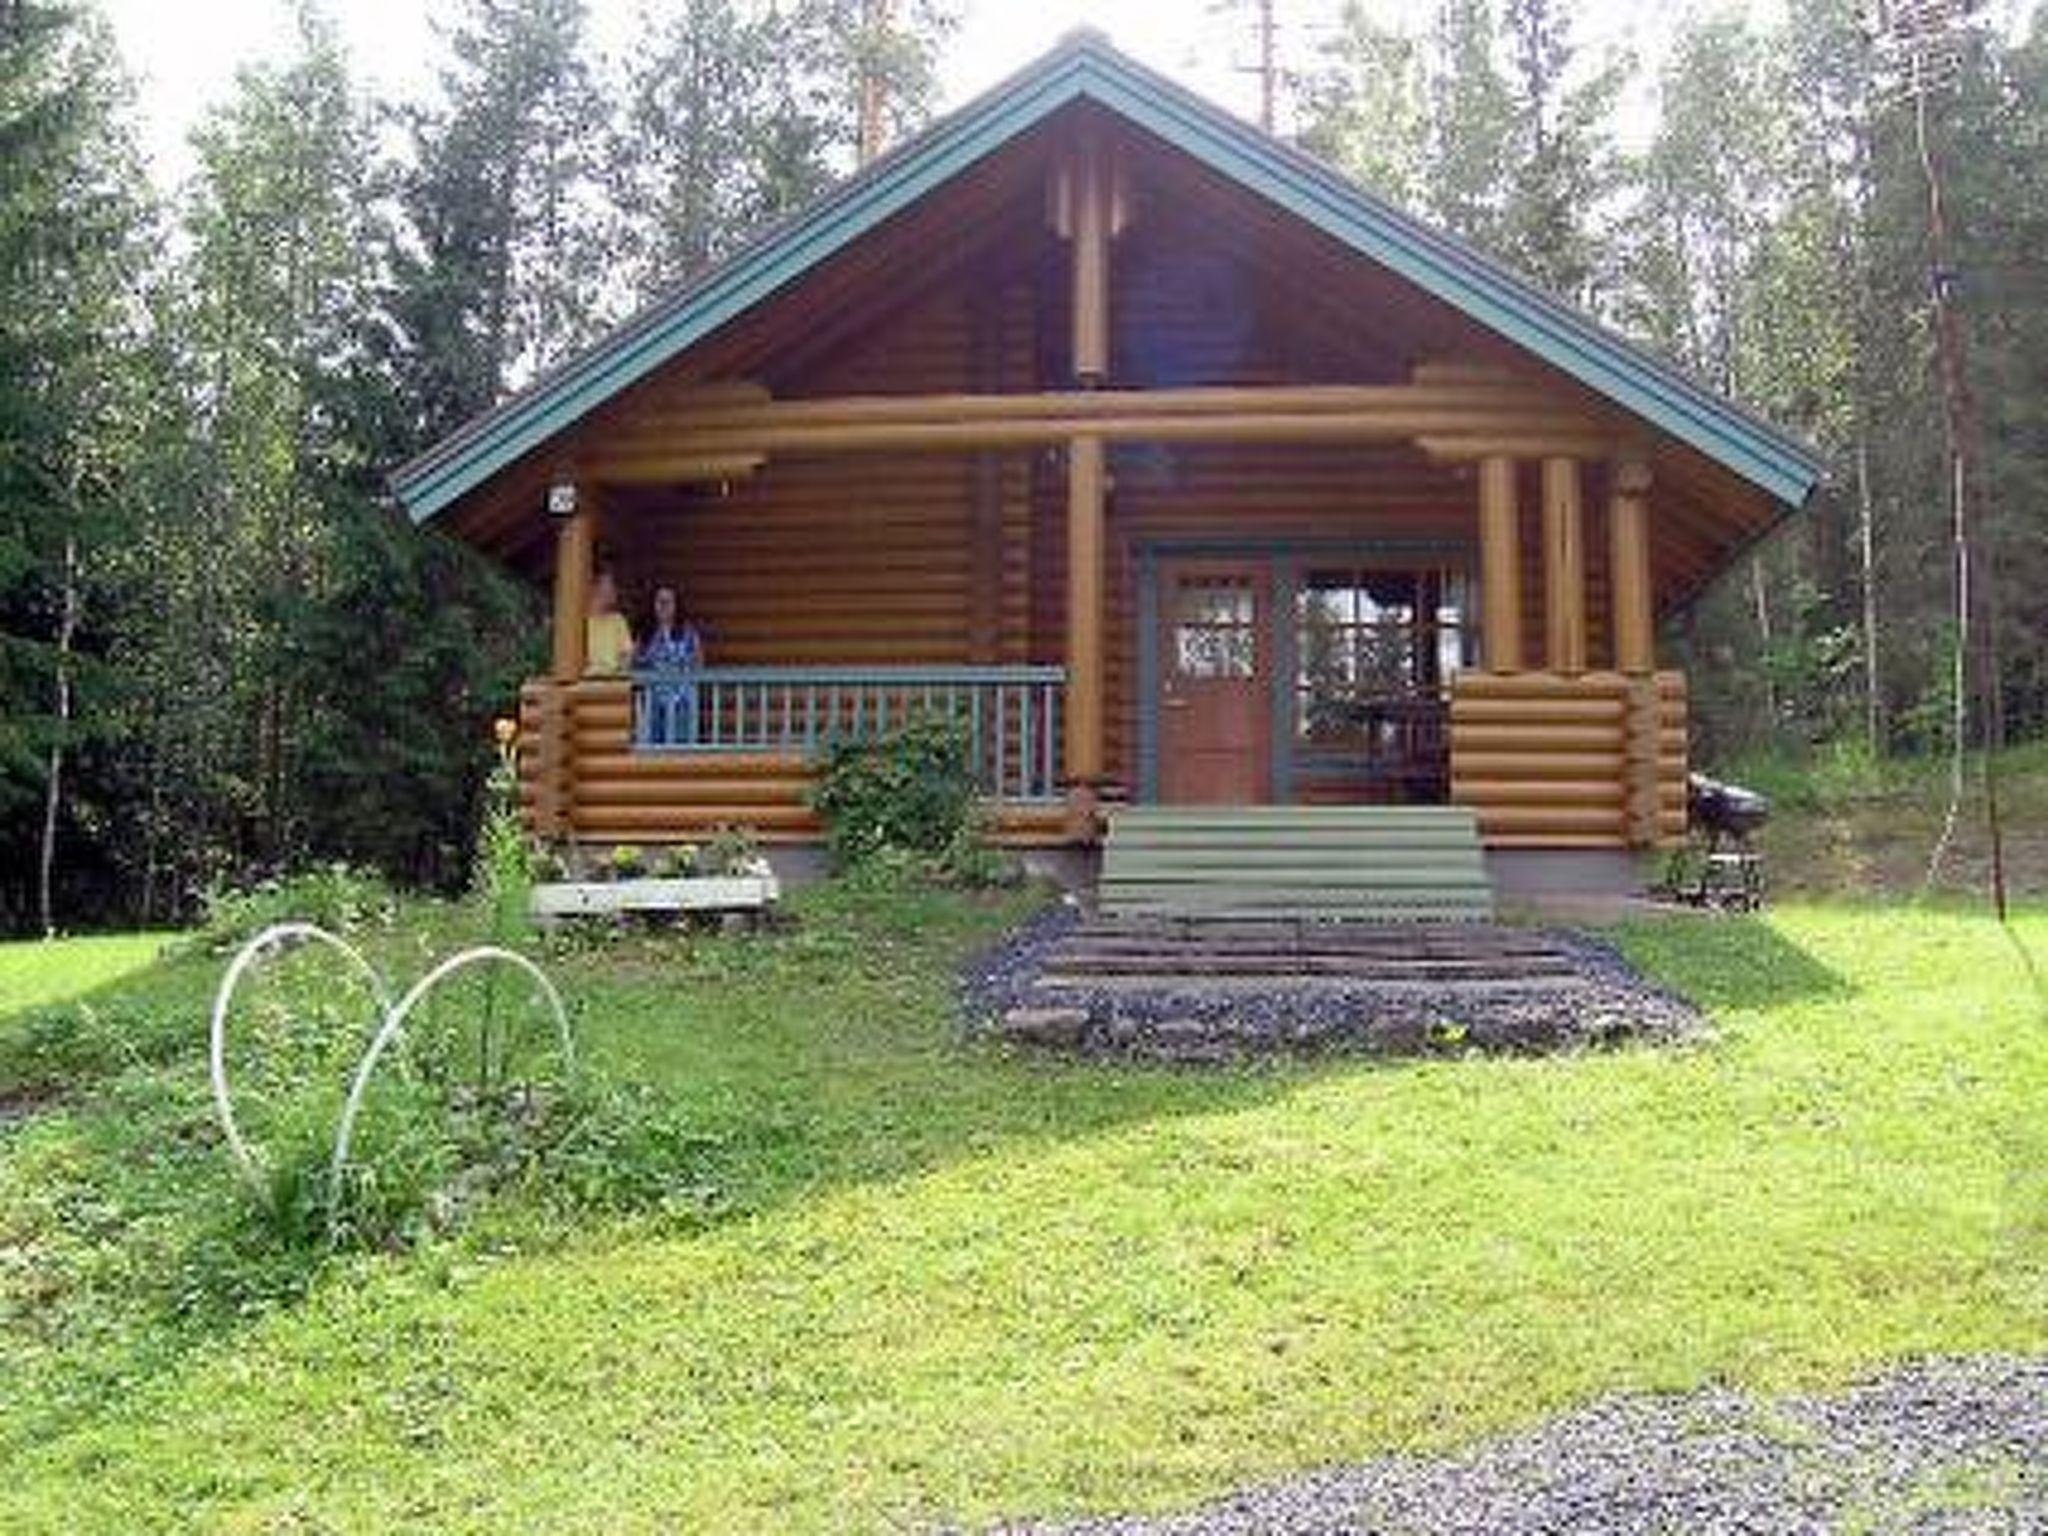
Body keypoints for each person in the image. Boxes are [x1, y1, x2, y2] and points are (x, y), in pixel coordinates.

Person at [635, 583, 703, 746]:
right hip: (654, 701)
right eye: (659, 601)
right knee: (654, 745)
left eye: (668, 602)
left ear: (676, 605)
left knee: (682, 746)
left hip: (682, 700)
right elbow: (635, 661)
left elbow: (699, 662)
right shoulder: (645, 634)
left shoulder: (688, 633)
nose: (663, 606)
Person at [584, 568, 635, 676]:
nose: (615, 591)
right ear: (595, 588)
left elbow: (627, 655)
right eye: (610, 585)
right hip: (586, 682)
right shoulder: (580, 622)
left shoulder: (618, 620)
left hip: (613, 682)